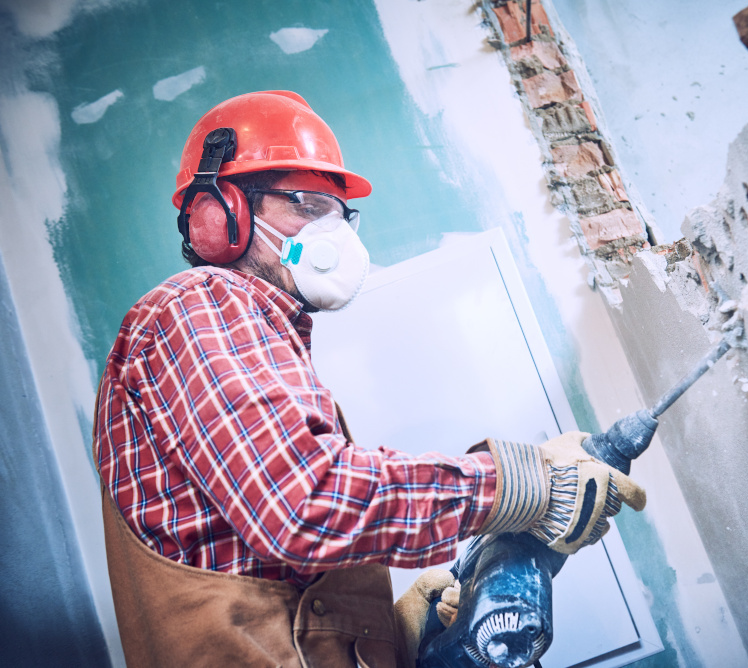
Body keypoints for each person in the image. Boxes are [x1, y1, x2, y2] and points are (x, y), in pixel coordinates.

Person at [92, 90, 646, 667]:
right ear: (219, 215)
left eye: (339, 212)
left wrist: (387, 637)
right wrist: (518, 485)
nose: (334, 232)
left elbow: (276, 580)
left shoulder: (257, 338)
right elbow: (303, 501)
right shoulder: (199, 304)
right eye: (306, 203)